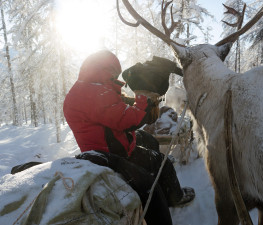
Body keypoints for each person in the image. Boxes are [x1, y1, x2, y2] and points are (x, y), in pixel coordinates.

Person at [63, 50, 195, 225]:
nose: (114, 76)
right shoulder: (94, 92)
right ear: (105, 69)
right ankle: (172, 199)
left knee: (148, 140)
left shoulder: (88, 87)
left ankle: (157, 177)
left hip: (102, 144)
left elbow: (113, 104)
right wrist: (143, 104)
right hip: (110, 154)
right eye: (113, 72)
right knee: (155, 175)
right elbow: (125, 120)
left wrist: (135, 102)